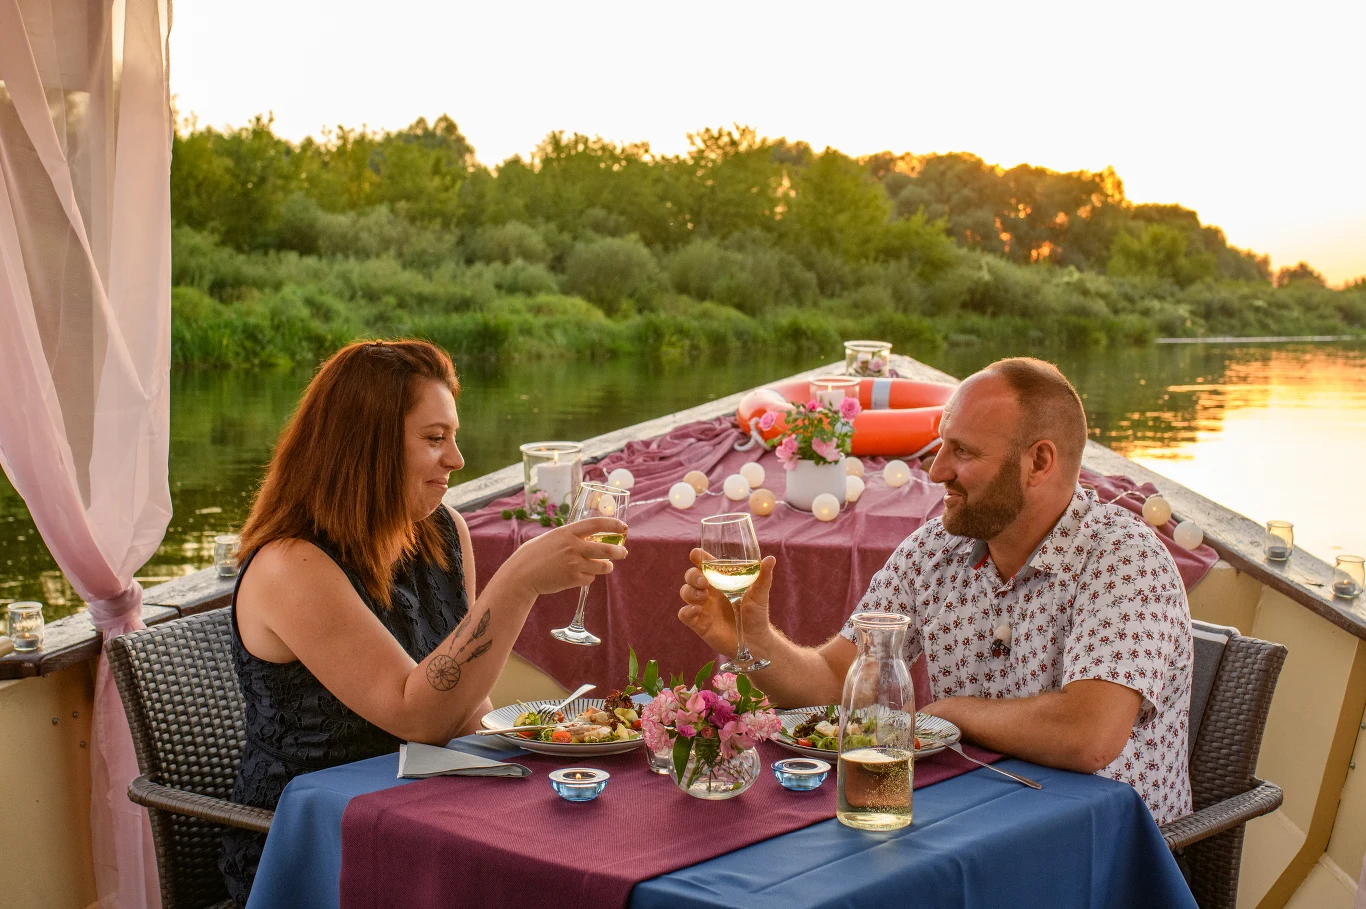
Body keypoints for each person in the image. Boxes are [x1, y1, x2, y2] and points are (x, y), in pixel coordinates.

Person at [678, 357, 1192, 824]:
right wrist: (755, 640)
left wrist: (950, 713)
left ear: (1039, 463)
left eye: (962, 451)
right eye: (942, 443)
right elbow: (838, 683)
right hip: (973, 820)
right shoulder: (934, 549)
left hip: (1105, 852)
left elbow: (1089, 735)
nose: (936, 469)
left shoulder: (1125, 558)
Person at [220, 340, 626, 905]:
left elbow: (464, 706)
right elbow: (419, 718)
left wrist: (552, 747)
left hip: (427, 806)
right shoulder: (292, 565)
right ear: (366, 447)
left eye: (452, 437)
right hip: (318, 839)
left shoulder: (441, 531)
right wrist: (518, 583)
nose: (457, 459)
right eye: (435, 439)